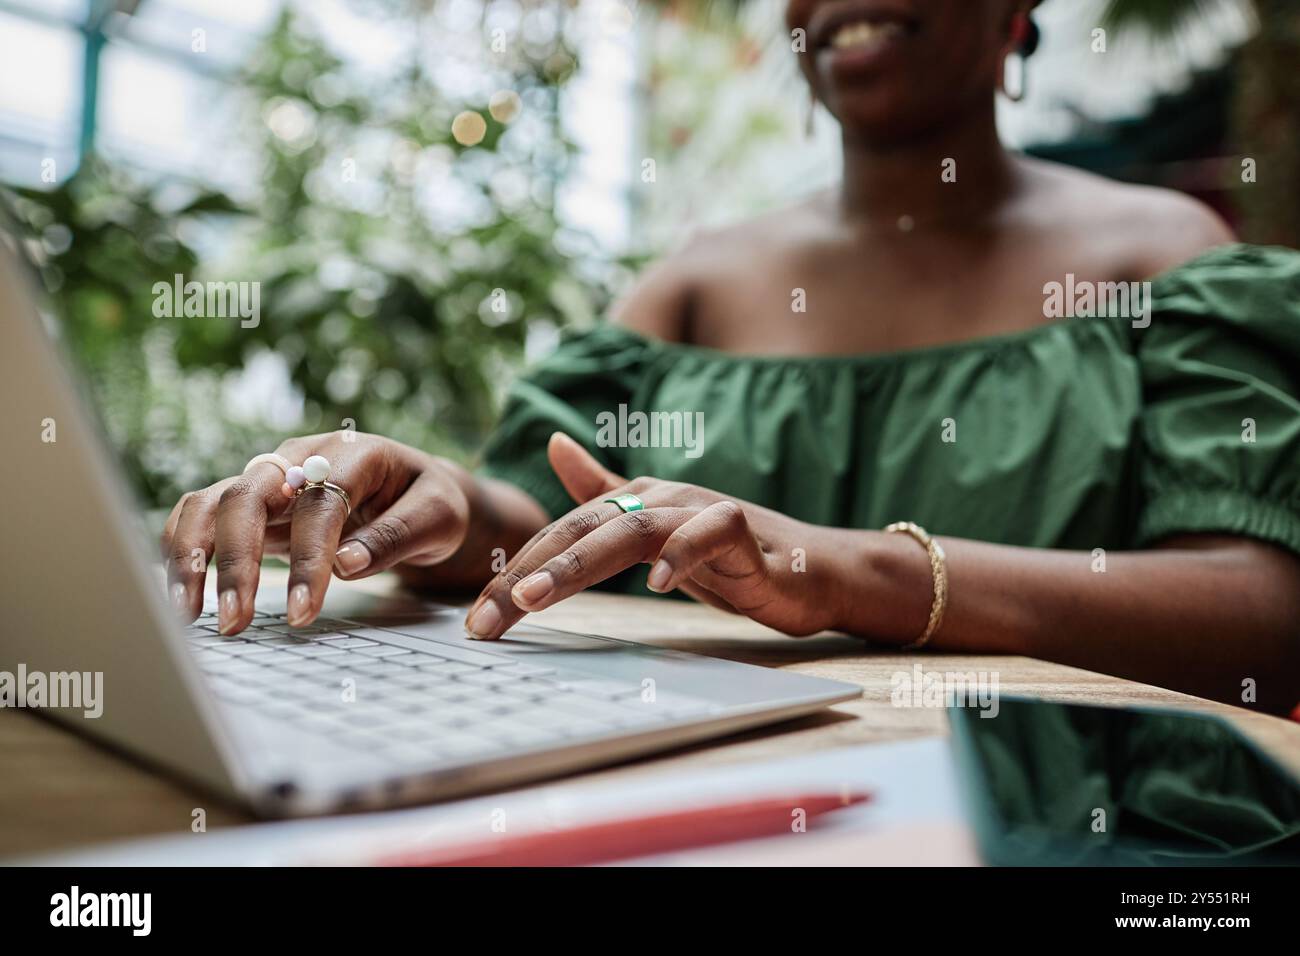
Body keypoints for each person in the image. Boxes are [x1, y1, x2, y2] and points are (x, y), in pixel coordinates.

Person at [161, 0, 1300, 711]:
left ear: (1018, 13)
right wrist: (438, 494)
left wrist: (847, 569)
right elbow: (546, 524)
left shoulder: (1167, 257)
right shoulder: (696, 280)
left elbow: (1262, 611)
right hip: (734, 796)